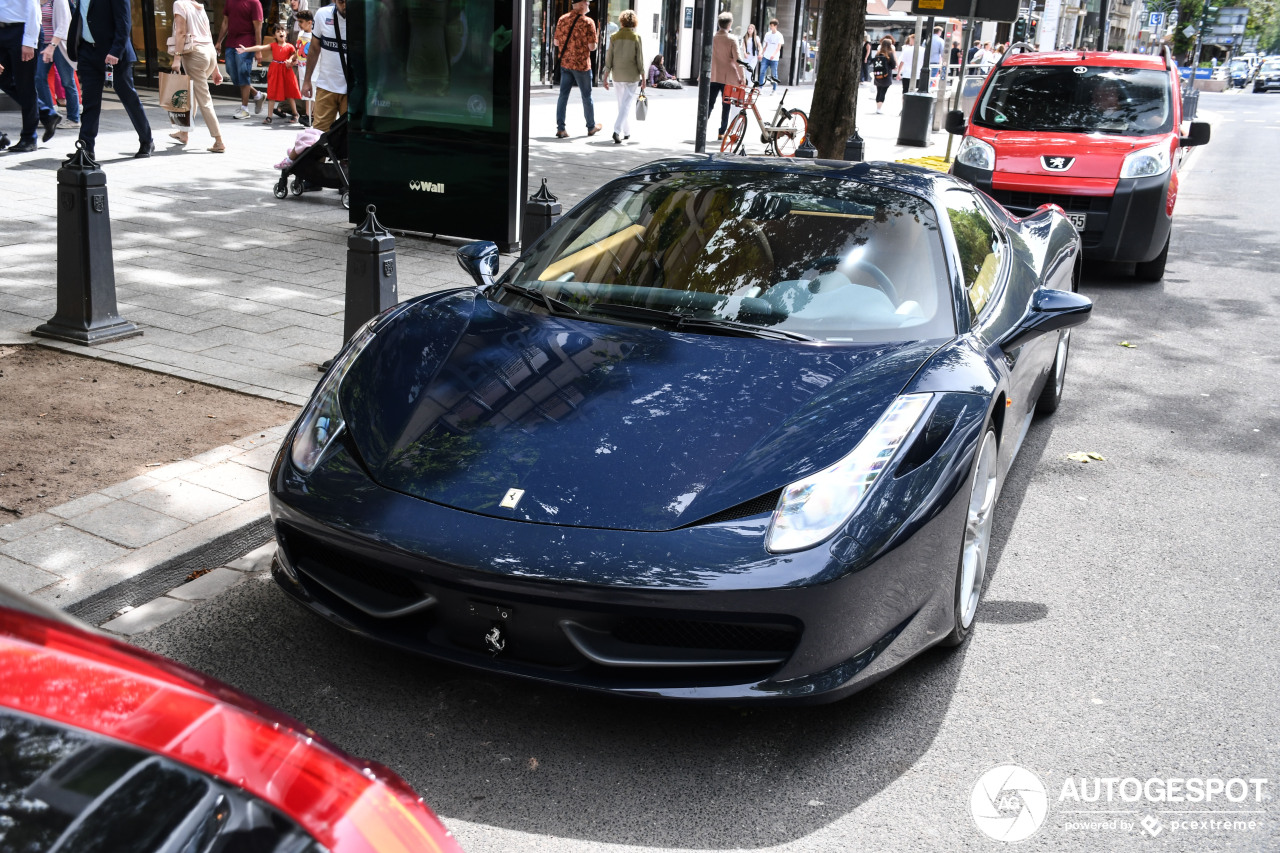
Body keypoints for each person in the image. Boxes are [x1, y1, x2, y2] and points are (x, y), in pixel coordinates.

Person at [67, 0, 155, 157]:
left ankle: (147, 140)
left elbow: (124, 22)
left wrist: (116, 51)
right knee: (90, 102)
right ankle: (86, 148)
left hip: (114, 55)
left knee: (129, 98)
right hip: (88, 53)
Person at [168, 0, 224, 152]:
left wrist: (177, 59)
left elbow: (180, 32)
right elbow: (208, 35)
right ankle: (183, 132)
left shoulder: (180, 4)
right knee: (192, 94)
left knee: (203, 99)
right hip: (209, 53)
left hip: (195, 54)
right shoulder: (199, 6)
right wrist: (215, 69)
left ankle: (218, 140)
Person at [0, 0, 44, 154]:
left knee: (25, 86)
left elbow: (33, 9)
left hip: (20, 31)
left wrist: (30, 42)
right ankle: (44, 111)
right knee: (3, 80)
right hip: (2, 31)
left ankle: (29, 138)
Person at [552, 0, 600, 138]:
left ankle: (561, 129)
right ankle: (591, 127)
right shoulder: (588, 22)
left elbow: (556, 42)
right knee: (586, 96)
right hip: (581, 65)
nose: (589, 5)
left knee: (563, 95)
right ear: (581, 5)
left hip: (565, 64)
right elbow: (592, 47)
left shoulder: (562, 19)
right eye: (587, 3)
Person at [237, 24, 300, 124]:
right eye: (278, 31)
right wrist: (246, 49)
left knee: (289, 94)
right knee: (272, 93)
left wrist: (291, 62)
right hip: (275, 71)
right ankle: (269, 117)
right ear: (274, 36)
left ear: (286, 33)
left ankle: (295, 114)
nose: (281, 32)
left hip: (286, 72)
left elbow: (296, 56)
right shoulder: (273, 45)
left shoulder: (290, 47)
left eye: (282, 30)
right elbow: (260, 47)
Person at [300, 0, 348, 132]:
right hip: (326, 86)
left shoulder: (365, 18)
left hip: (353, 90)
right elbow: (314, 49)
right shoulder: (322, 15)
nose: (344, 6)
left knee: (349, 136)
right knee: (318, 134)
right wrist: (307, 80)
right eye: (341, 2)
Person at [215, 0, 265, 119]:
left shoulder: (254, 2)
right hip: (231, 42)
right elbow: (225, 22)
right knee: (231, 71)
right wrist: (219, 41)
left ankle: (244, 109)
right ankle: (257, 94)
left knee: (243, 73)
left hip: (246, 44)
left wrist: (258, 50)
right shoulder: (230, 1)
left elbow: (258, 28)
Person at [601, 8, 643, 145]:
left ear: (622, 21)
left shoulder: (614, 37)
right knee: (626, 104)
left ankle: (627, 131)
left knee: (622, 103)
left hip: (617, 75)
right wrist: (644, 77)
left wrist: (606, 75)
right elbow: (640, 59)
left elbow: (609, 58)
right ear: (634, 23)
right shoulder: (636, 38)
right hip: (632, 75)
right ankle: (617, 130)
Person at [36, 0, 78, 132]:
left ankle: (73, 119)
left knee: (67, 82)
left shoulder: (59, 1)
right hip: (43, 45)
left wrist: (52, 46)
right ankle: (50, 116)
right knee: (39, 78)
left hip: (58, 45)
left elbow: (63, 25)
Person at [708, 11, 744, 140]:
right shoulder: (732, 39)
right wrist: (742, 77)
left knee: (709, 104)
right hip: (728, 77)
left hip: (713, 75)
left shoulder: (711, 37)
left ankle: (702, 128)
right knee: (726, 105)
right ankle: (722, 131)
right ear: (729, 24)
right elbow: (737, 59)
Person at [293, 9, 312, 125]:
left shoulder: (314, 35)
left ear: (309, 22)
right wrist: (292, 59)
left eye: (301, 21)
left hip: (311, 68)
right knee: (305, 92)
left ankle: (310, 115)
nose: (299, 24)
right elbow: (298, 50)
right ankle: (307, 114)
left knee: (312, 91)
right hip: (301, 67)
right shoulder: (300, 34)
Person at [872, 36, 894, 114]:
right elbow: (893, 65)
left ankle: (877, 106)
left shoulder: (878, 53)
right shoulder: (890, 53)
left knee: (879, 91)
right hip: (886, 76)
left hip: (878, 76)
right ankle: (879, 108)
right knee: (883, 92)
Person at [758, 17, 782, 90]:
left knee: (774, 74)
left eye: (771, 26)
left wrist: (773, 55)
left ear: (775, 26)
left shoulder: (779, 35)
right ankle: (760, 88)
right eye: (770, 25)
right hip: (766, 57)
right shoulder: (767, 34)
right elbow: (766, 45)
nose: (770, 27)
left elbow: (779, 47)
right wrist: (761, 54)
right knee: (762, 72)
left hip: (774, 59)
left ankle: (774, 89)